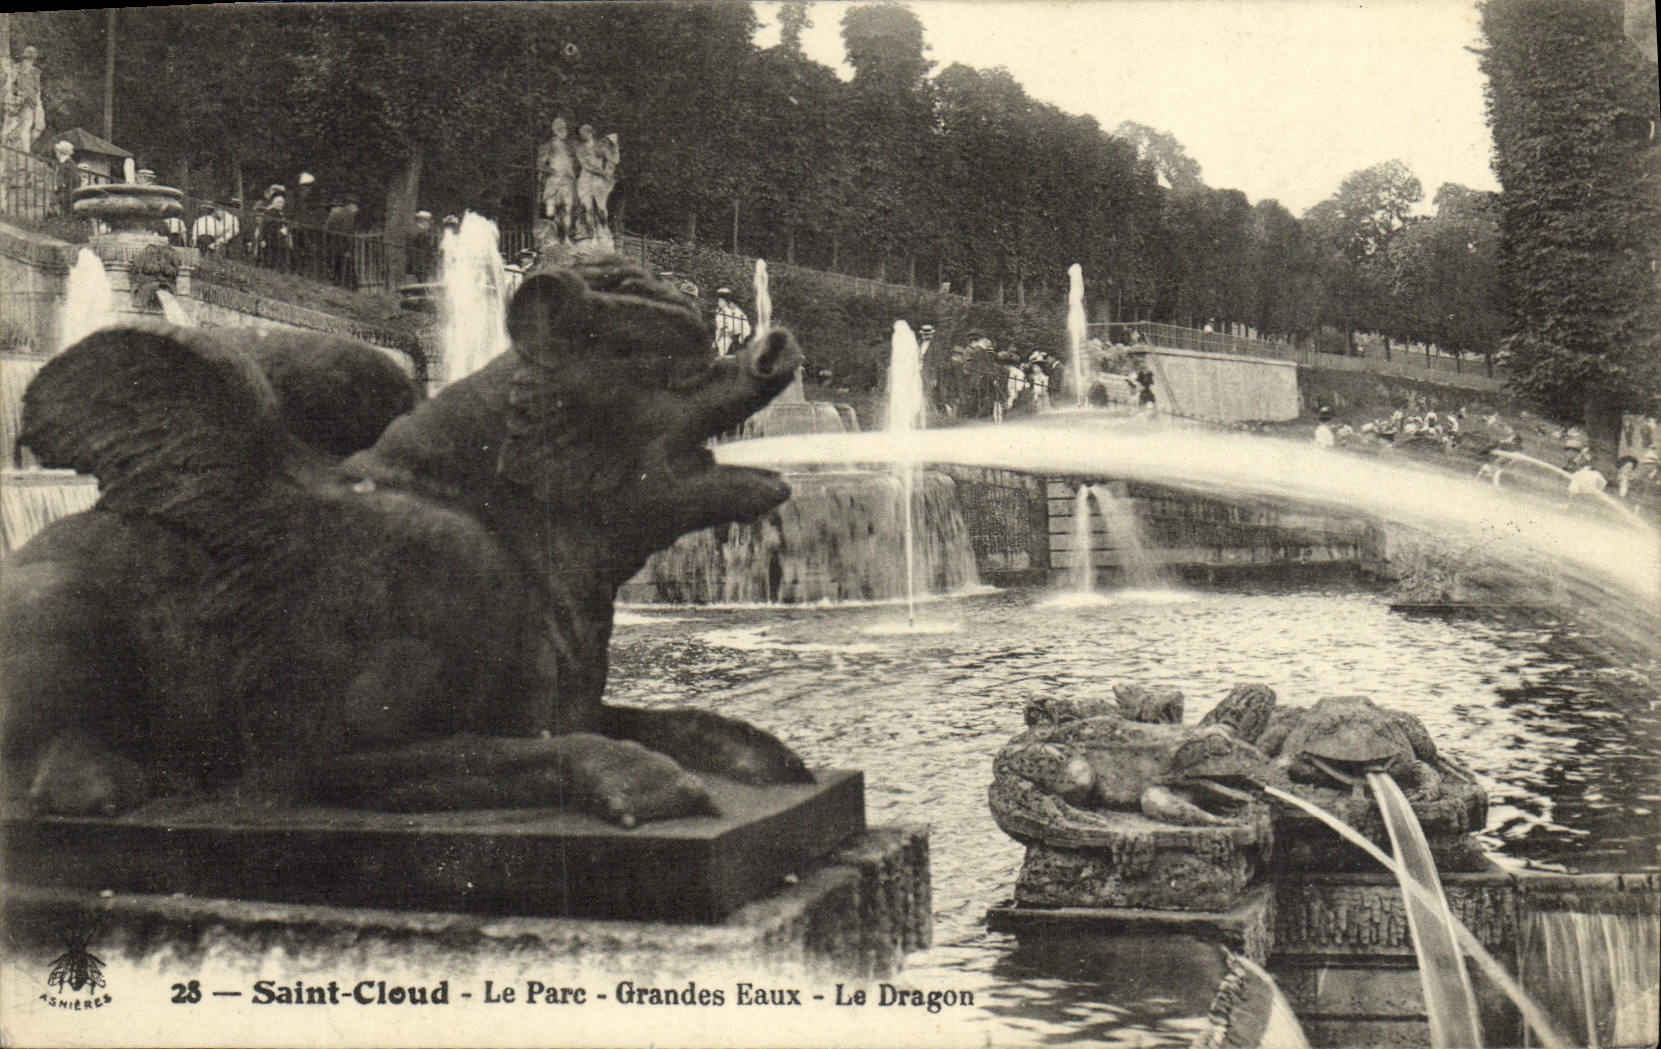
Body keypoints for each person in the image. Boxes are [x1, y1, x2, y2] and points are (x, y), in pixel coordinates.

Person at [538, 117, 579, 244]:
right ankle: (554, 236)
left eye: (565, 129)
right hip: (553, 180)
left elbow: (576, 163)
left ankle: (566, 238)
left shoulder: (570, 148)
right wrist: (546, 169)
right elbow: (540, 163)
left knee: (568, 210)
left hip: (567, 180)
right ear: (555, 131)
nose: (564, 132)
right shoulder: (548, 146)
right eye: (561, 129)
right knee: (550, 212)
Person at [3, 46, 46, 153]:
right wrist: (13, 98)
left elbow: (37, 91)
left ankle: (24, 150)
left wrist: (38, 106)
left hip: (30, 102)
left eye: (30, 59)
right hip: (17, 102)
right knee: (16, 127)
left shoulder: (35, 72)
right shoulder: (16, 69)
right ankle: (21, 151)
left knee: (32, 127)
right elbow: (9, 86)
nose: (29, 61)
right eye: (27, 59)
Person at [712, 286, 751, 356]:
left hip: (732, 339)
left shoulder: (736, 313)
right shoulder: (720, 314)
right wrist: (716, 341)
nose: (719, 303)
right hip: (724, 339)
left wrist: (739, 340)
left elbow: (745, 329)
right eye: (719, 300)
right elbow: (719, 329)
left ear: (726, 302)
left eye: (721, 300)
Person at [51, 139, 79, 216]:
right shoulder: (67, 163)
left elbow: (63, 182)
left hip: (67, 195)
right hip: (68, 194)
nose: (56, 153)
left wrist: (57, 191)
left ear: (61, 152)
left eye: (57, 151)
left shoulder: (66, 165)